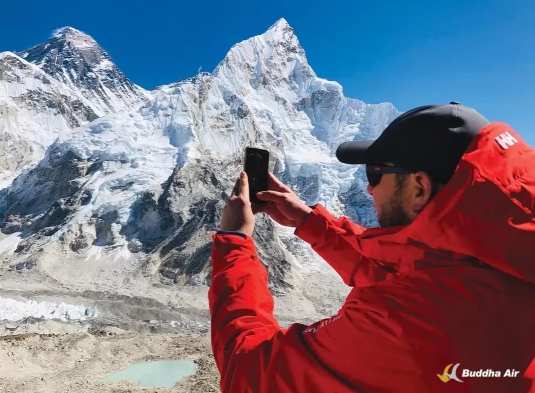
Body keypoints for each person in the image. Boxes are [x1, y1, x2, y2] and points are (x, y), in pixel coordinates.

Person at [208, 102, 535, 393]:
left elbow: (250, 371)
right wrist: (310, 223)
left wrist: (234, 242)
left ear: (419, 188)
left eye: (376, 174)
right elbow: (413, 269)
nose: (367, 186)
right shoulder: (504, 258)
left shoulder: (403, 323)